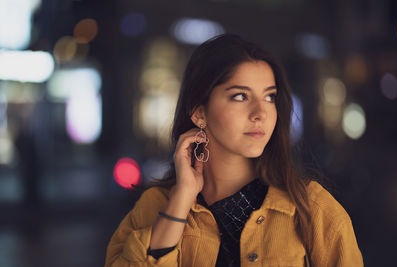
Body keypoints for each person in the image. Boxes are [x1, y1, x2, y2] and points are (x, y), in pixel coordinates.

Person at [105, 34, 364, 267]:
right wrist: (182, 198)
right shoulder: (156, 205)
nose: (260, 113)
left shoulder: (313, 208)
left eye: (270, 97)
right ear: (199, 112)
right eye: (240, 96)